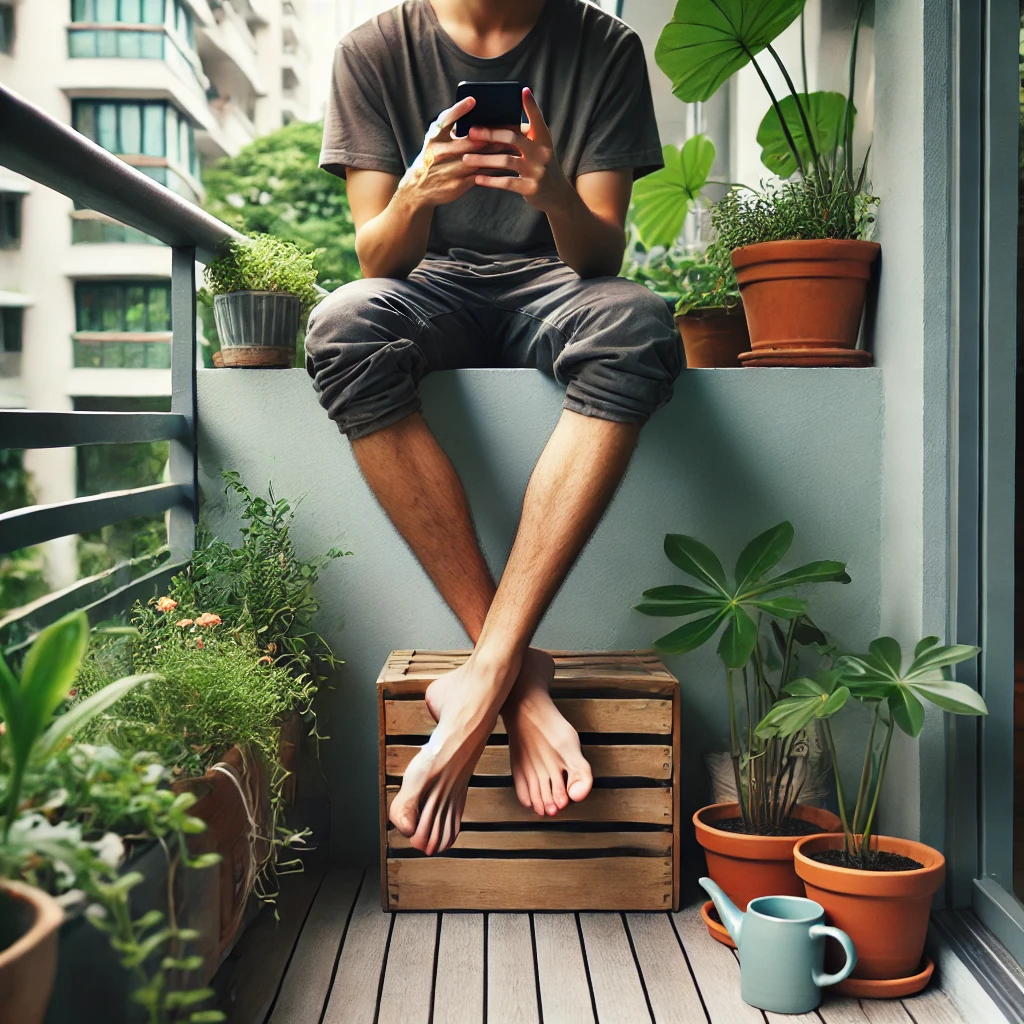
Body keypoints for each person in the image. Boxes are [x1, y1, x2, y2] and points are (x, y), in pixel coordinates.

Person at [304, 0, 681, 856]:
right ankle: (512, 678)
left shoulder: (604, 47)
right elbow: (376, 261)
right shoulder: (372, 51)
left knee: (637, 323)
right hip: (428, 283)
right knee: (341, 325)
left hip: (553, 284)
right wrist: (414, 192)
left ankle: (479, 678)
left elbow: (599, 260)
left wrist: (552, 192)